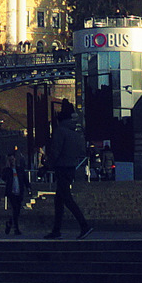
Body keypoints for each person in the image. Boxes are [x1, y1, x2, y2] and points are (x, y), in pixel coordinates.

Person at [43, 101, 91, 240]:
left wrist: (46, 167)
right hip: (71, 167)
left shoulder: (60, 131)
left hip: (62, 168)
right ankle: (56, 229)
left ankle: (84, 225)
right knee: (59, 199)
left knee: (66, 198)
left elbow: (55, 152)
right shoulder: (75, 133)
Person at [2, 153, 30, 236]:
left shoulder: (20, 170)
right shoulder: (7, 171)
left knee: (17, 211)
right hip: (12, 193)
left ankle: (10, 223)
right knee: (15, 210)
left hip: (19, 192)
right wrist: (7, 167)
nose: (12, 162)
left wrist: (28, 187)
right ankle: (16, 228)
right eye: (10, 160)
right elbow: (4, 178)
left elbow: (25, 179)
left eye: (12, 160)